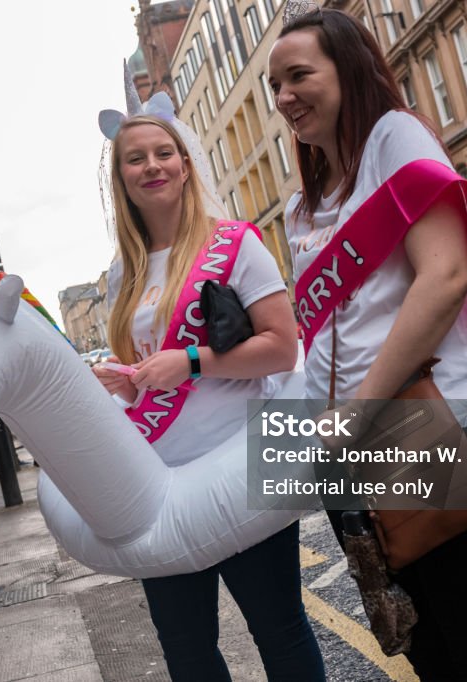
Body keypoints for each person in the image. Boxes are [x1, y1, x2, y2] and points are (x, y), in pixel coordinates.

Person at [269, 8, 467, 680]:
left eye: (299, 75)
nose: (284, 97)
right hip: (359, 451)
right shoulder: (303, 210)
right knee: (434, 660)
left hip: (431, 424)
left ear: (350, 69)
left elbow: (445, 277)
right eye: (275, 86)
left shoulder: (396, 137)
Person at [91, 103, 325, 680]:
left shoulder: (234, 244)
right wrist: (127, 381)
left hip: (240, 466)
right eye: (135, 158)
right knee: (185, 649)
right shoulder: (125, 274)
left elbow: (282, 347)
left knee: (279, 629)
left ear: (186, 163)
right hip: (162, 486)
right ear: (120, 178)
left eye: (163, 153)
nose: (152, 166)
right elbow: (152, 371)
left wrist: (193, 360)